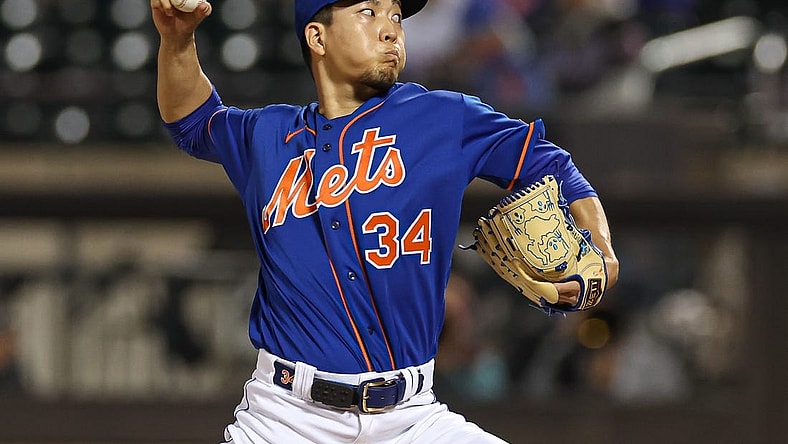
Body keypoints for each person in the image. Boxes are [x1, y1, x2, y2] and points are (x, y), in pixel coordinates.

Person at [151, 0, 620, 442]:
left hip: (412, 417)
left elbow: (549, 163)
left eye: (396, 15)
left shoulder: (442, 117)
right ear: (318, 37)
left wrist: (599, 239)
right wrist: (177, 42)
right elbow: (193, 122)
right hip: (285, 418)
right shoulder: (268, 135)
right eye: (368, 11)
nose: (389, 29)